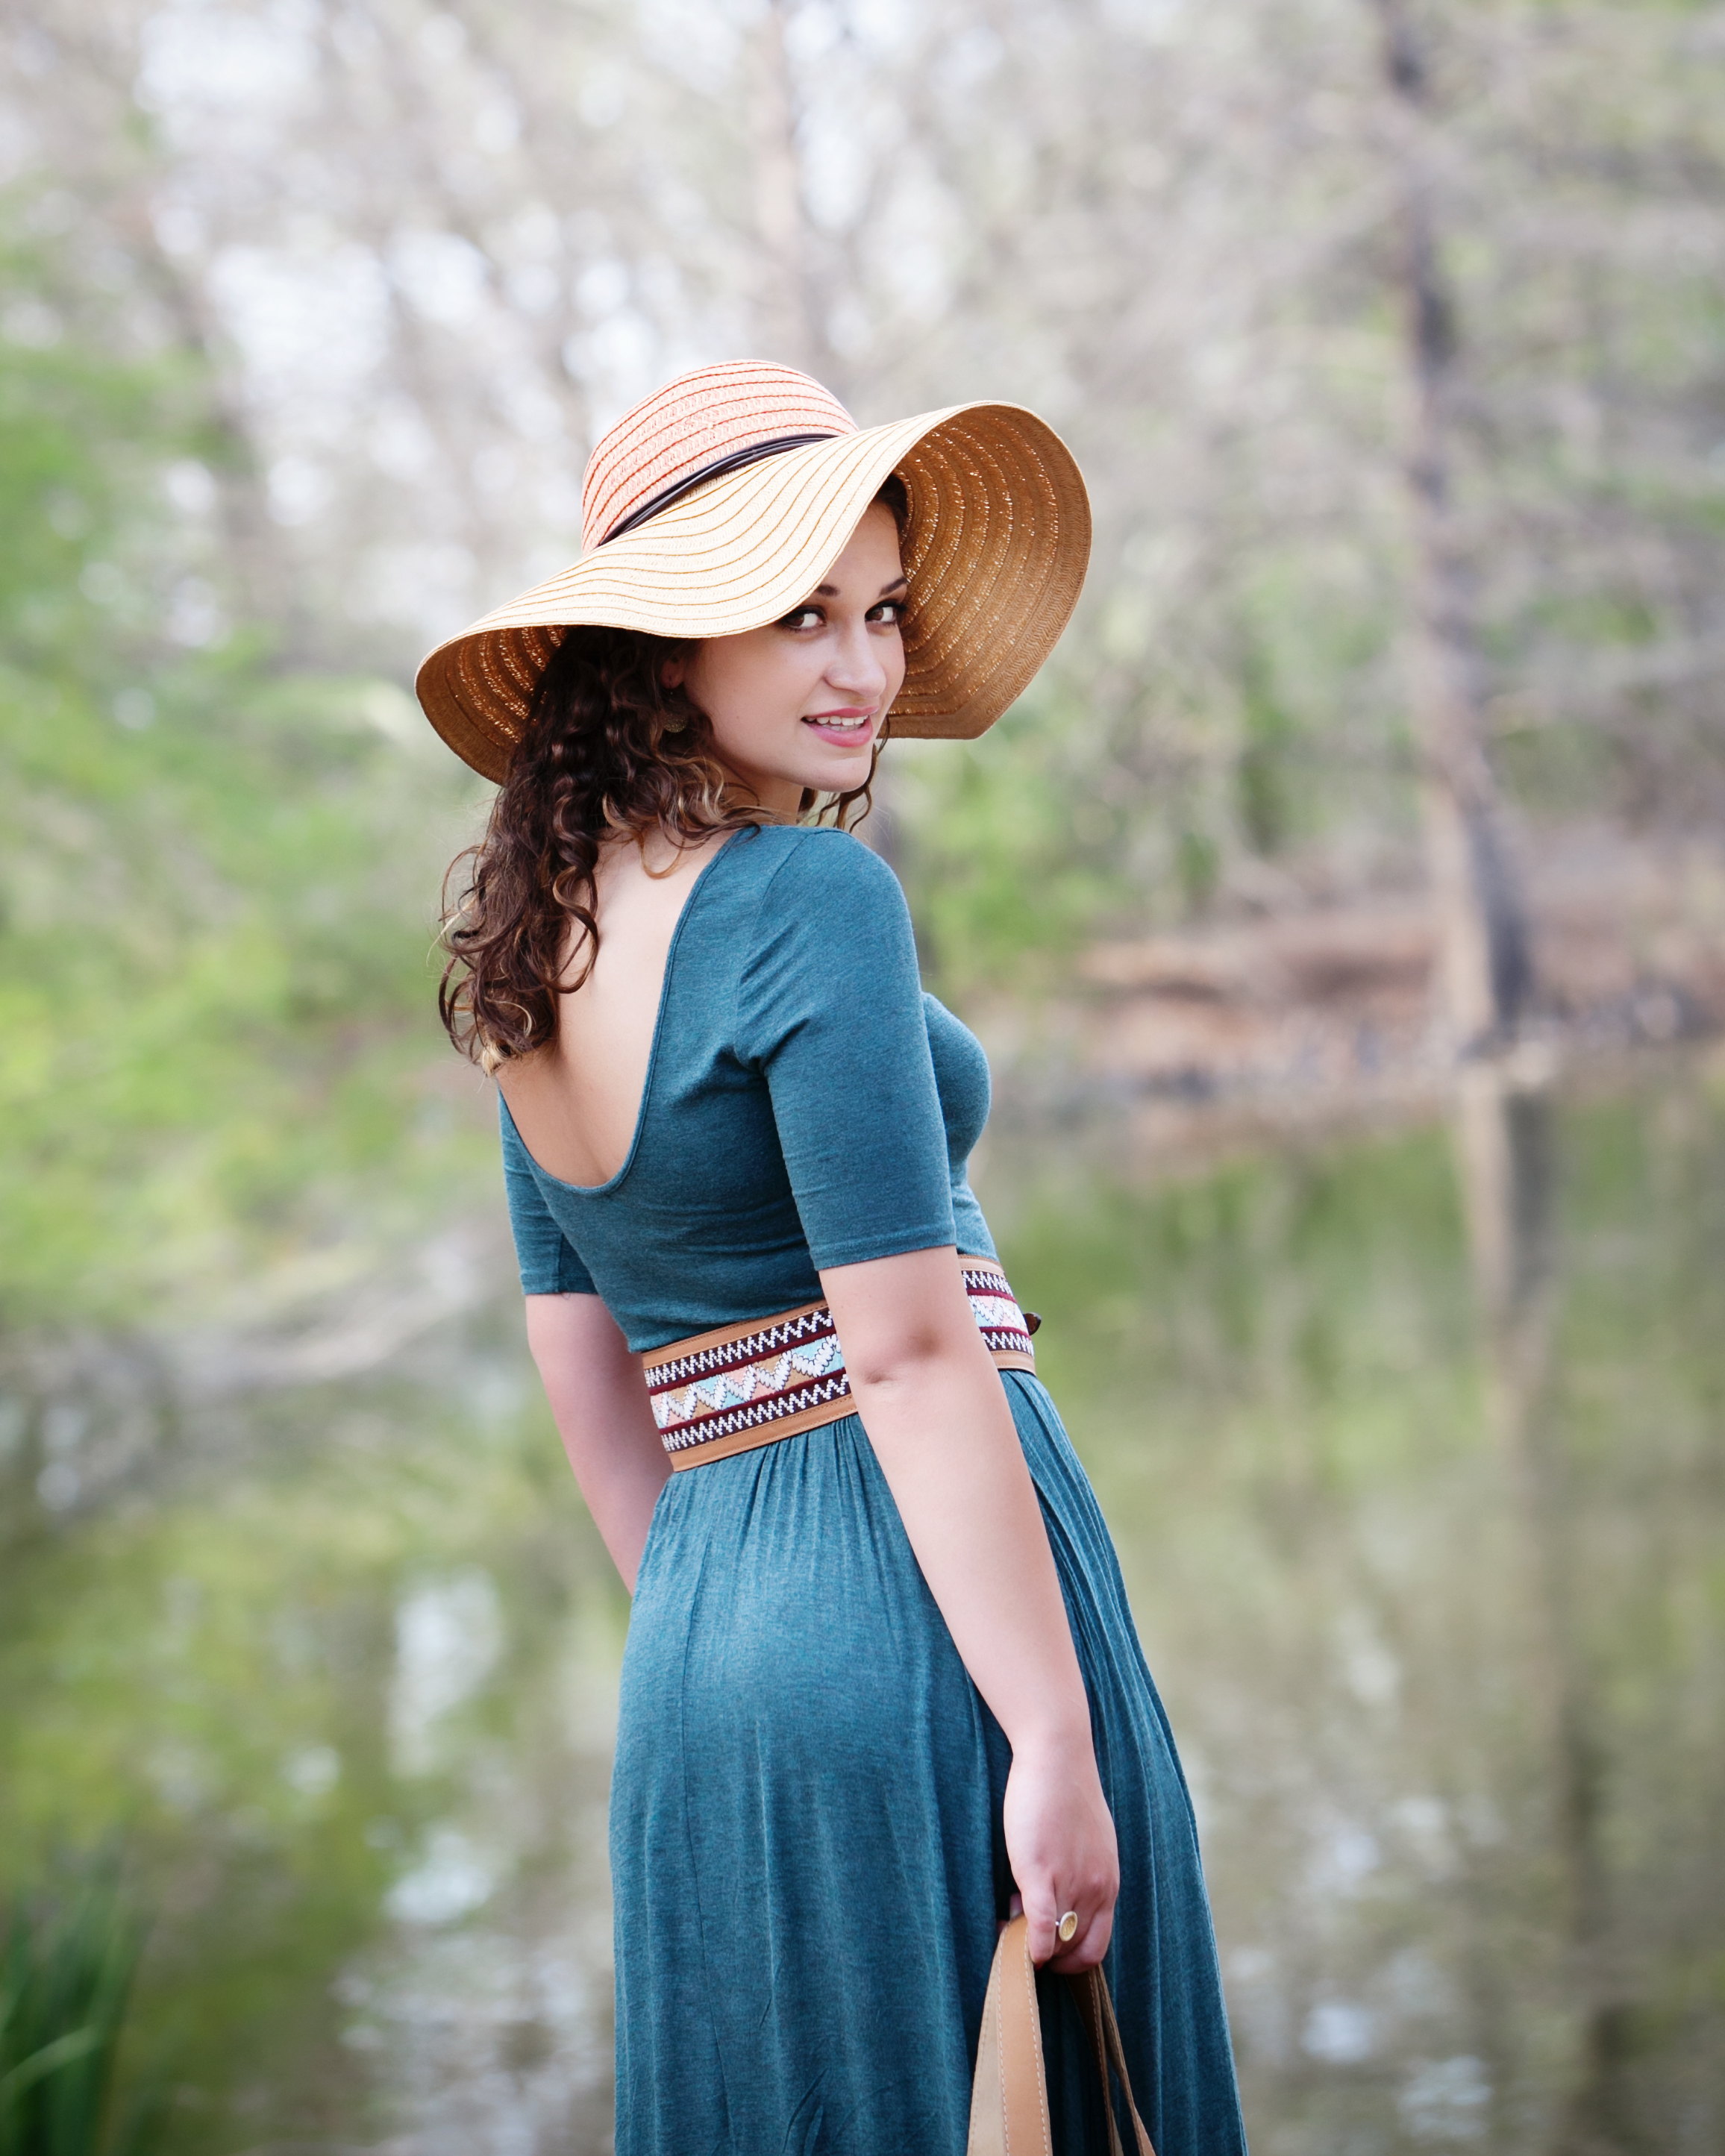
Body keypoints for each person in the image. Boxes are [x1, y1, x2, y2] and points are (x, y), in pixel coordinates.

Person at [416, 361, 1247, 2156]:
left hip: (704, 1647)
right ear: (663, 649)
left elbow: (583, 1367)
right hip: (919, 1614)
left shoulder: (535, 956)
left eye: (880, 609)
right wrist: (1048, 1730)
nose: (862, 663)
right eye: (801, 614)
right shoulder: (809, 898)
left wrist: (730, 1618)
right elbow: (907, 1354)